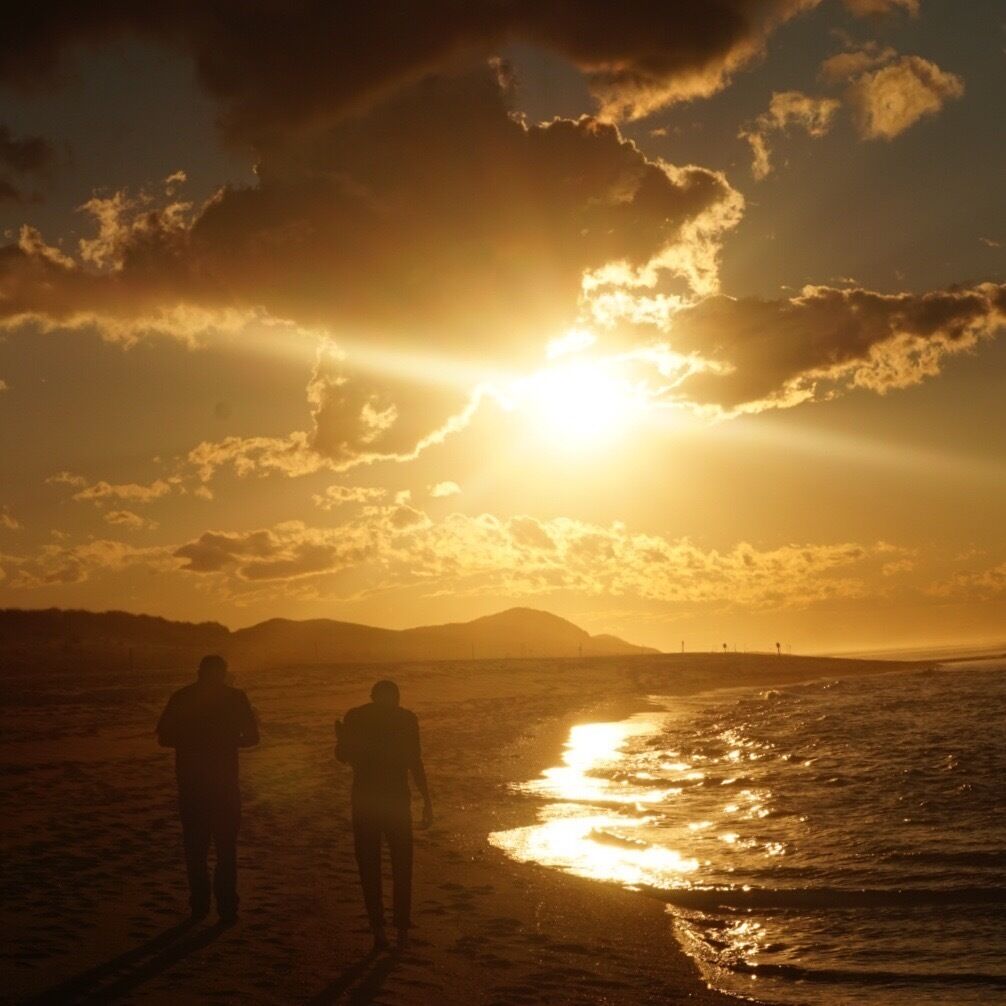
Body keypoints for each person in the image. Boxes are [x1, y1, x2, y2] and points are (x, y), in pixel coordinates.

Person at [156, 654, 259, 923]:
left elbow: (164, 737)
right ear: (223, 673)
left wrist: (191, 741)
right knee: (226, 847)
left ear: (199, 671)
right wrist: (226, 741)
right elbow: (252, 737)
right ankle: (226, 906)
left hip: (192, 783)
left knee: (196, 847)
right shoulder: (235, 697)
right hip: (224, 783)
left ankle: (200, 905)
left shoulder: (182, 696)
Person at [336, 680, 432, 951]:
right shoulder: (405, 718)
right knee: (402, 864)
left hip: (365, 800)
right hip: (396, 801)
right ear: (396, 697)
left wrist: (341, 738)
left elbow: (342, 756)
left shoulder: (356, 717)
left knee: (369, 865)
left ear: (372, 696)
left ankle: (379, 929)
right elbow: (415, 760)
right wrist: (427, 799)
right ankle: (400, 928)